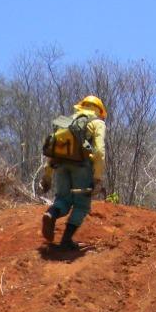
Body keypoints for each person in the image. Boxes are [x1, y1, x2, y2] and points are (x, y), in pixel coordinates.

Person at [41, 95, 108, 250]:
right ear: (99, 111)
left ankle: (51, 214)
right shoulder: (97, 123)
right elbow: (99, 151)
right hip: (81, 168)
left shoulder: (67, 122)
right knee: (82, 205)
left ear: (81, 106)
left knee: (63, 199)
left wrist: (48, 176)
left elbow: (53, 152)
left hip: (60, 165)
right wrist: (97, 177)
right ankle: (66, 241)